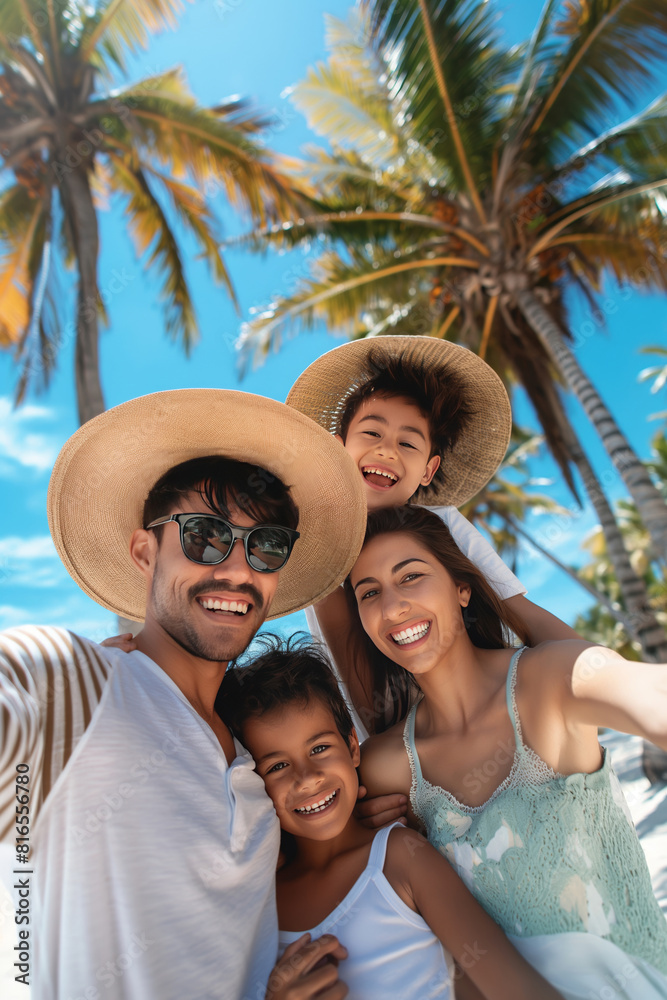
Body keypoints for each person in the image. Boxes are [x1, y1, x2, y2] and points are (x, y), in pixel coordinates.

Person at [0, 388, 368, 1000]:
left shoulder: (256, 770)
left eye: (267, 546)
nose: (236, 570)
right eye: (204, 537)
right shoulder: (71, 682)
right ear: (145, 552)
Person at [347, 505, 667, 999]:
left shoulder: (548, 681)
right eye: (369, 593)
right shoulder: (385, 766)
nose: (391, 609)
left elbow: (649, 695)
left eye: (410, 576)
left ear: (462, 588)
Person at [220, 636, 566, 1000]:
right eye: (277, 766)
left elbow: (516, 988)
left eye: (320, 748)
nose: (307, 777)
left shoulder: (398, 856)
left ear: (353, 747)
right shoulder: (259, 898)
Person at [286, 335, 579, 742]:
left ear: (428, 469)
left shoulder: (442, 522)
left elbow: (521, 614)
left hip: (499, 704)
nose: (388, 450)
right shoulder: (322, 545)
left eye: (407, 443)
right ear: (338, 450)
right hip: (401, 739)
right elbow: (359, 677)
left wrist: (586, 677)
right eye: (371, 434)